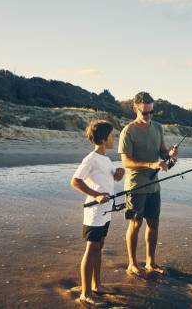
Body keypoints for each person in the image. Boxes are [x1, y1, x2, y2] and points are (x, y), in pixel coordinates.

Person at [118, 91, 179, 277]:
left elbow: (161, 151)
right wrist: (151, 164)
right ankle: (132, 264)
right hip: (136, 185)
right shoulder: (128, 131)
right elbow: (126, 162)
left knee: (154, 224)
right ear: (135, 109)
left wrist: (169, 155)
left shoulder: (158, 127)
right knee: (135, 225)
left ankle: (151, 262)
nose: (149, 116)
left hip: (154, 185)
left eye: (151, 112)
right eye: (145, 112)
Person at [70, 120, 125, 306]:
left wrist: (118, 173)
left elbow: (111, 179)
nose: (114, 139)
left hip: (106, 211)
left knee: (99, 247)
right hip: (94, 212)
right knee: (92, 249)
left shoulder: (106, 159)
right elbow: (75, 181)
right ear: (103, 139)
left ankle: (97, 285)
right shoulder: (91, 159)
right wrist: (96, 195)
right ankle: (85, 293)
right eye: (112, 136)